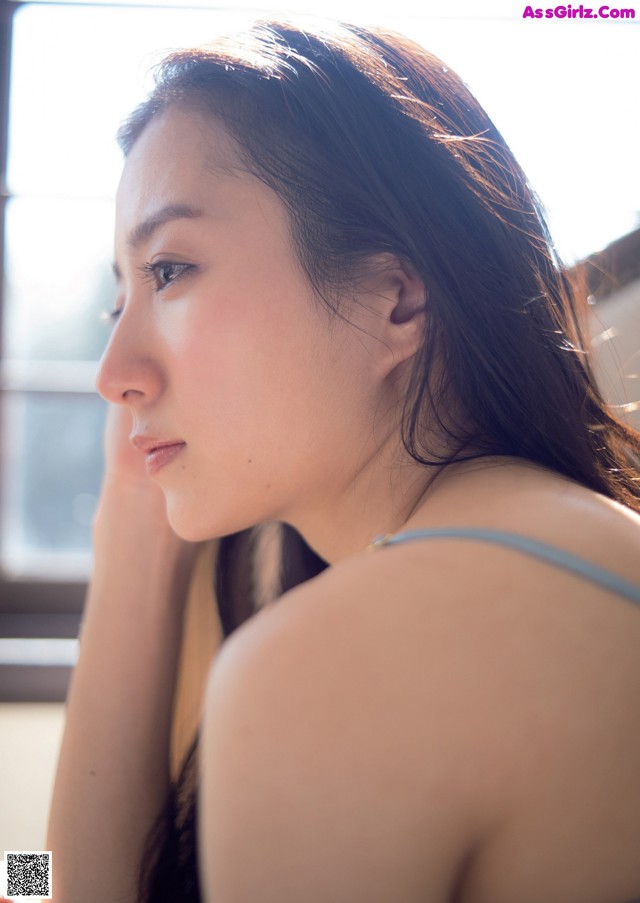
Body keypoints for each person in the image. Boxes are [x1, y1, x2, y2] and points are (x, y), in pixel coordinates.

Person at [46, 18, 640, 903]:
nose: (112, 375)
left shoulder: (324, 672)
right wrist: (132, 529)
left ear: (393, 297)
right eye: (116, 302)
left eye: (169, 270)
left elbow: (38, 891)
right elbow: (45, 881)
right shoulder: (579, 549)